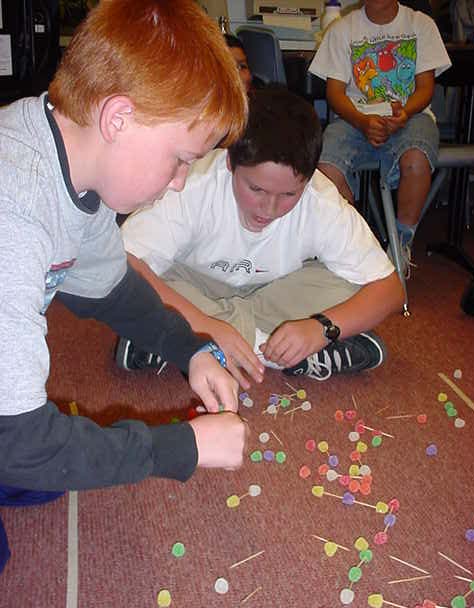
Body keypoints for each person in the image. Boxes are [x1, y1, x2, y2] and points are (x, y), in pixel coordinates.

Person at [0, 0, 249, 571]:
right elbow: (22, 443)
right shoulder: (13, 211)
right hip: (12, 436)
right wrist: (178, 449)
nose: (181, 183)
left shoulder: (74, 158)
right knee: (32, 461)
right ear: (118, 118)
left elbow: (113, 293)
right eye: (180, 161)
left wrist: (191, 350)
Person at [117, 86, 404, 392]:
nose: (269, 210)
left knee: (351, 284)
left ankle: (179, 341)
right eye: (256, 190)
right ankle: (270, 349)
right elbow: (123, 263)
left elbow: (390, 289)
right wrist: (206, 325)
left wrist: (321, 328)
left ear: (308, 179)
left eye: (289, 195)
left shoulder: (320, 198)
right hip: (197, 284)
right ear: (230, 163)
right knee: (138, 279)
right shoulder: (194, 183)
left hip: (273, 292)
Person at [308, 0, 451, 274]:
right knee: (324, 170)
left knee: (416, 160)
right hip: (354, 118)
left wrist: (404, 114)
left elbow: (425, 88)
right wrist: (362, 122)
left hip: (411, 116)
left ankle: (400, 244)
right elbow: (335, 93)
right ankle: (351, 245)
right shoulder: (342, 29)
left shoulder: (420, 24)